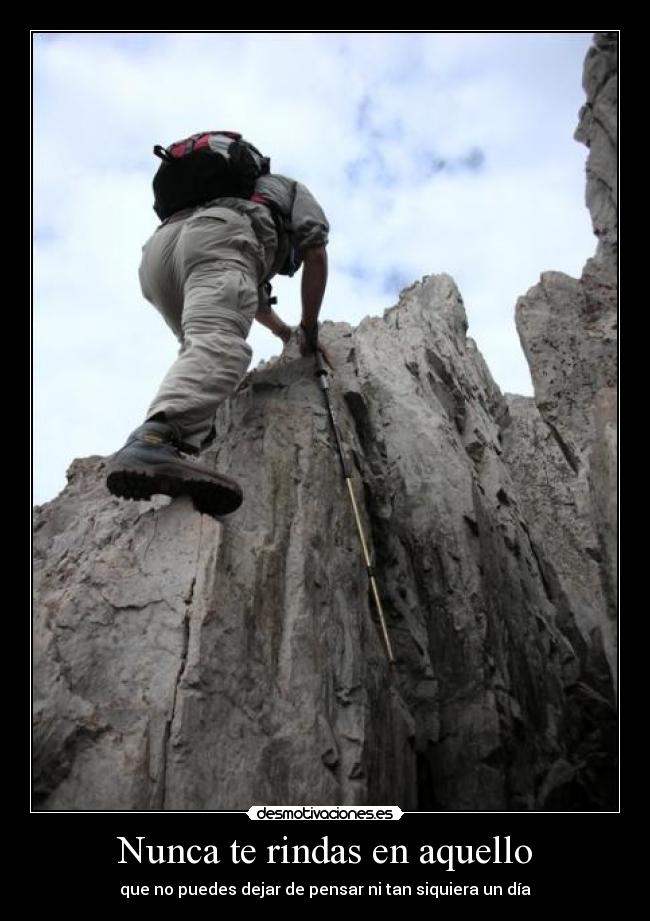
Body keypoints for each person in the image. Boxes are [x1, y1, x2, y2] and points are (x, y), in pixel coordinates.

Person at [106, 148, 329, 518]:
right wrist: (308, 329)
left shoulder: (232, 195)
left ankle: (187, 442)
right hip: (218, 238)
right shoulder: (290, 189)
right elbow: (316, 252)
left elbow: (251, 298)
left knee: (200, 345)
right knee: (220, 349)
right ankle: (154, 441)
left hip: (159, 258)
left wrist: (282, 332)